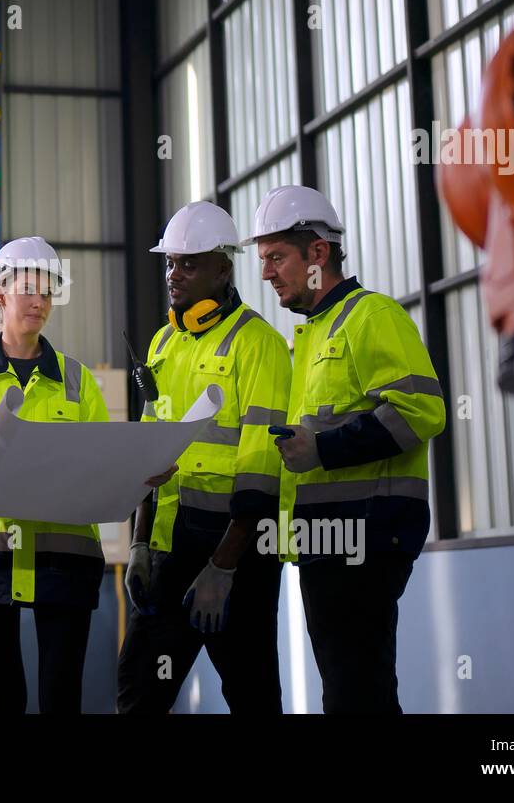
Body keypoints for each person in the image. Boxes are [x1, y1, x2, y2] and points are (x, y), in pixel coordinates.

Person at [0, 236, 170, 713]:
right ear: (0, 294)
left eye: (47, 290)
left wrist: (140, 471)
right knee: (4, 702)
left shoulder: (78, 382)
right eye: (27, 289)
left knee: (62, 700)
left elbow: (104, 460)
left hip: (64, 558)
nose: (39, 301)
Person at [243, 184, 446, 713]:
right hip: (328, 537)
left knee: (358, 691)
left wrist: (324, 450)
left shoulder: (370, 316)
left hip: (367, 534)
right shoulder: (311, 336)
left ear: (318, 252)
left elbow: (421, 410)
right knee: (351, 689)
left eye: (276, 257)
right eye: (263, 259)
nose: (266, 273)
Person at [116, 201, 293, 713]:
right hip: (170, 550)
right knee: (138, 693)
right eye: (170, 262)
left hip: (236, 557)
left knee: (252, 695)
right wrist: (140, 544)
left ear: (222, 267)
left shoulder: (258, 344)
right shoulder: (163, 343)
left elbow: (263, 469)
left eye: (188, 264)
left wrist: (223, 567)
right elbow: (148, 456)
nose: (174, 274)